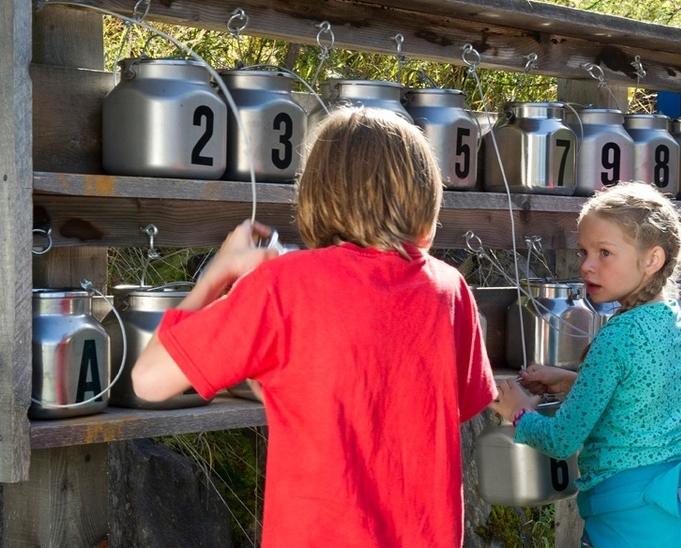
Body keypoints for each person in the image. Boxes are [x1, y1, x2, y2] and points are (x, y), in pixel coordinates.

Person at [131, 107, 497, 547]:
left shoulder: (283, 286)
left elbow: (148, 381)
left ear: (317, 196)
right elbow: (424, 407)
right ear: (424, 200)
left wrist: (218, 274)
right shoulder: (451, 289)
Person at [490, 181, 681, 548]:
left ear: (652, 260)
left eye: (604, 253)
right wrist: (572, 381)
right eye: (583, 251)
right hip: (672, 508)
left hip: (624, 519)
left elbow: (561, 440)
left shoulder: (618, 335)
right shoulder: (674, 320)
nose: (586, 266)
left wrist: (518, 412)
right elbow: (639, 392)